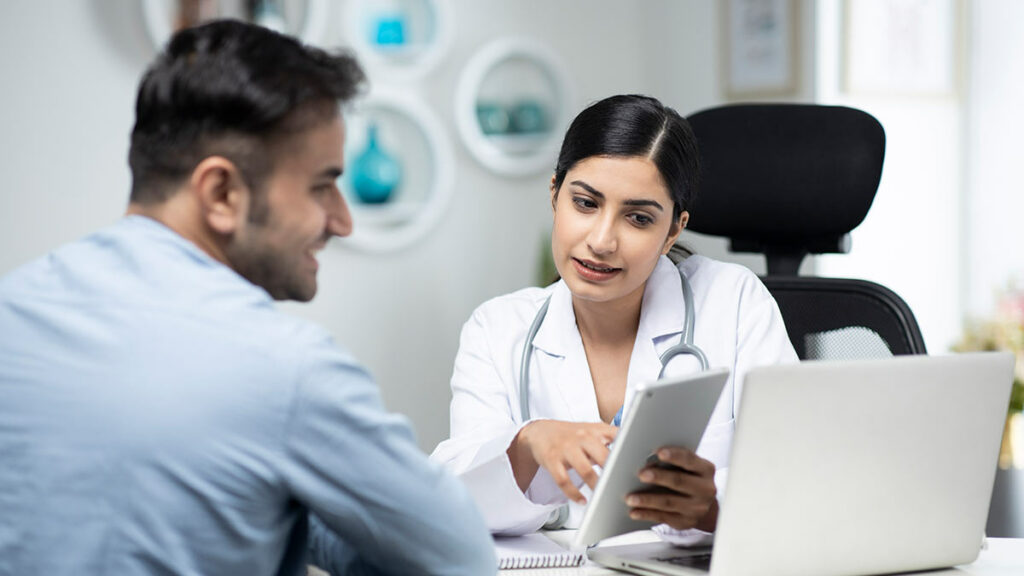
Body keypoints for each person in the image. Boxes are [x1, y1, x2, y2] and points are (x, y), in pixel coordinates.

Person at [0, 20, 495, 576]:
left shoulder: (12, 309)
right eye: (321, 185)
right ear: (222, 193)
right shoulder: (287, 369)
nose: (343, 221)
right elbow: (460, 560)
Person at [431, 94, 798, 541]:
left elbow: (797, 481)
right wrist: (529, 445)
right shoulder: (497, 330)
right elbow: (453, 503)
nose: (602, 241)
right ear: (554, 195)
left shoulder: (735, 305)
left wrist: (713, 509)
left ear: (673, 230)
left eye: (638, 218)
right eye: (585, 203)